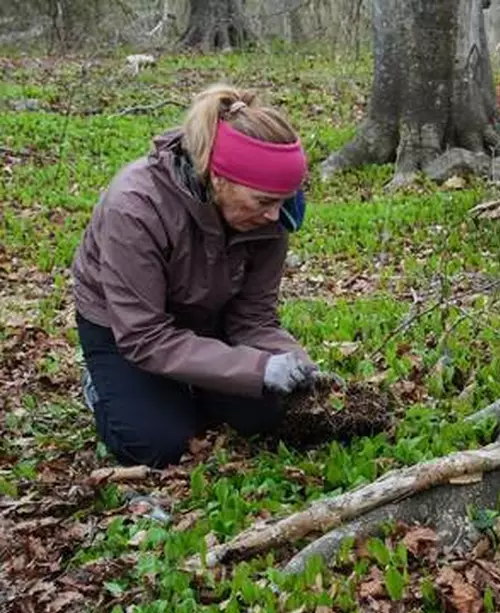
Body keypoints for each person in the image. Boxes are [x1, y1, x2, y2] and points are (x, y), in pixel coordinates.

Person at [71, 83, 322, 468]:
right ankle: (104, 385)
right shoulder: (136, 207)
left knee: (265, 415)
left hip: (205, 314)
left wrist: (293, 362)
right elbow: (144, 335)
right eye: (264, 202)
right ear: (218, 178)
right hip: (126, 329)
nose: (275, 216)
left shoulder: (273, 215)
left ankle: (188, 382)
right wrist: (256, 369)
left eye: (283, 201)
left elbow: (253, 318)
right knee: (156, 442)